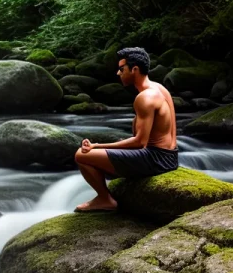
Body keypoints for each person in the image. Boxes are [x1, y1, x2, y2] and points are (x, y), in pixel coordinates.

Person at [74, 47, 178, 212]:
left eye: (122, 69)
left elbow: (139, 143)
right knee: (116, 146)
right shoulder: (159, 88)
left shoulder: (145, 98)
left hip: (155, 159)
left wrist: (97, 146)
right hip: (170, 156)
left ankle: (105, 199)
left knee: (81, 155)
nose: (118, 73)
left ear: (135, 69)